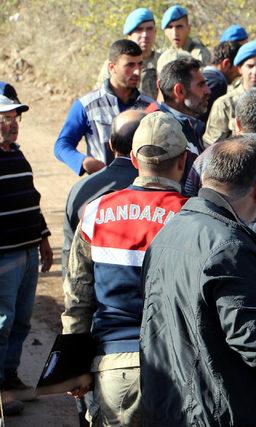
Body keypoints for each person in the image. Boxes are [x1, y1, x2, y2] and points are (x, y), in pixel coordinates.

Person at [140, 136, 256, 426]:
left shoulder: (170, 232)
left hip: (173, 404)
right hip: (220, 410)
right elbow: (254, 336)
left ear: (206, 178)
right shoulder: (230, 245)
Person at [61, 112, 189, 426]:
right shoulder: (193, 218)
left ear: (132, 159)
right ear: (183, 160)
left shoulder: (96, 212)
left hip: (113, 368)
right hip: (175, 366)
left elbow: (77, 296)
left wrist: (73, 366)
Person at [0, 95, 53, 416]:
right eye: (4, 119)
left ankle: (10, 376)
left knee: (21, 320)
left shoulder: (17, 155)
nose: (12, 124)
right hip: (4, 257)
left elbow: (32, 201)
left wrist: (44, 239)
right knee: (3, 322)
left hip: (28, 250)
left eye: (15, 119)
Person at [62, 110, 144, 277]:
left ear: (111, 145)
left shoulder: (80, 189)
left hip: (95, 294)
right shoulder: (161, 191)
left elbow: (69, 255)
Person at [54, 40, 154, 175]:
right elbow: (61, 146)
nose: (137, 71)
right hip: (103, 189)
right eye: (130, 65)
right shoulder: (86, 105)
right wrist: (83, 162)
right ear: (112, 67)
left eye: (139, 64)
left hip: (141, 189)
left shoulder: (150, 107)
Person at [156, 56, 210, 189]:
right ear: (179, 91)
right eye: (201, 85)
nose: (208, 91)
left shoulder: (189, 125)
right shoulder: (161, 130)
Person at [203, 40, 256, 144]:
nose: (255, 72)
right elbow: (211, 147)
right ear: (239, 68)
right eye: (250, 66)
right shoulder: (225, 104)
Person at [95, 8, 161, 99]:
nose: (145, 35)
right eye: (139, 29)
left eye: (149, 29)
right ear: (129, 35)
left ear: (155, 32)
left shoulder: (162, 61)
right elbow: (100, 97)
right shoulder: (115, 64)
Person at [202, 41, 242, 115]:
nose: (240, 72)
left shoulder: (199, 76)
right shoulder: (218, 83)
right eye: (239, 67)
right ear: (226, 64)